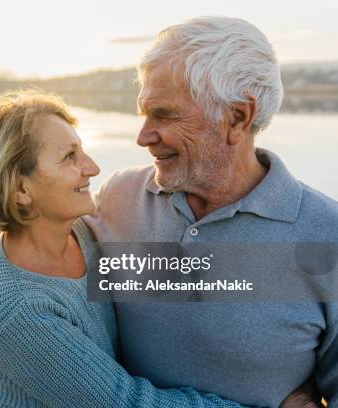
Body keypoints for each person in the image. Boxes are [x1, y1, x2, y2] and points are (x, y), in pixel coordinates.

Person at [84, 16, 338, 407]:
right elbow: (41, 264)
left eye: (164, 114)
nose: (143, 136)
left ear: (237, 117)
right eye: (143, 114)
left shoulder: (327, 234)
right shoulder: (118, 197)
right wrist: (23, 349)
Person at [0, 90, 253, 407]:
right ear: (20, 189)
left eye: (82, 151)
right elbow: (125, 404)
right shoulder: (16, 307)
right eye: (69, 157)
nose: (93, 168)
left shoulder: (86, 233)